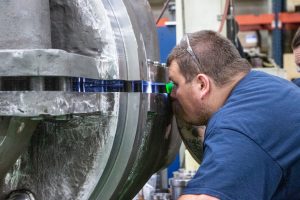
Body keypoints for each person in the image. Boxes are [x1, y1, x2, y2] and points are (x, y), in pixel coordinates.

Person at [167, 30, 300, 200]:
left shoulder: (236, 123)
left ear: (202, 84)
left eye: (174, 84)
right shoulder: (264, 86)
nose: (172, 94)